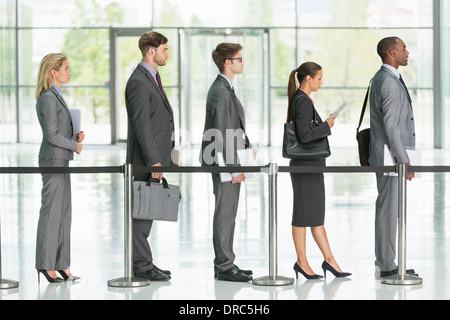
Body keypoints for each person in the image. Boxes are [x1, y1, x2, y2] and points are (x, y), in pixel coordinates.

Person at [286, 62, 350, 280]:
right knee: (304, 214)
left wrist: (324, 124)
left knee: (314, 215)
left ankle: (329, 260)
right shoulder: (302, 101)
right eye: (319, 78)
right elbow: (305, 135)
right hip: (306, 166)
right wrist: (328, 125)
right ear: (308, 79)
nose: (322, 82)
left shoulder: (302, 99)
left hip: (309, 165)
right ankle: (302, 262)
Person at [200, 43, 253, 282]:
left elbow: (232, 124)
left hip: (228, 159)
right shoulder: (221, 91)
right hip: (224, 162)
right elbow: (221, 132)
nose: (243, 62)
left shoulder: (226, 88)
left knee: (229, 213)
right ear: (227, 63)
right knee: (225, 214)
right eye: (239, 59)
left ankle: (227, 262)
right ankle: (224, 266)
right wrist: (234, 169)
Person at [125, 31, 175, 281]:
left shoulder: (150, 78)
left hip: (154, 157)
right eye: (165, 49)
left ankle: (145, 262)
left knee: (147, 213)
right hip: (145, 160)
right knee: (141, 215)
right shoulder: (138, 81)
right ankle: (141, 265)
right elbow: (142, 125)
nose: (168, 54)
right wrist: (154, 159)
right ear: (151, 51)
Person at [369, 37, 416, 278]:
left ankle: (388, 262)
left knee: (389, 210)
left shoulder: (386, 78)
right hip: (390, 158)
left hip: (390, 157)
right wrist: (403, 160)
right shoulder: (387, 82)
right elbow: (391, 127)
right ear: (391, 52)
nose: (407, 52)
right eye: (403, 49)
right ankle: (386, 266)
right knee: (388, 211)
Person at [35, 53, 84, 283]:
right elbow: (51, 135)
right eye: (65, 68)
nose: (69, 72)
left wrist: (75, 135)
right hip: (52, 160)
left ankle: (62, 264)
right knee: (51, 214)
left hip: (61, 161)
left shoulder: (57, 95)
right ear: (53, 71)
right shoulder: (47, 97)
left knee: (64, 214)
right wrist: (74, 145)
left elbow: (59, 130)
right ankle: (46, 265)